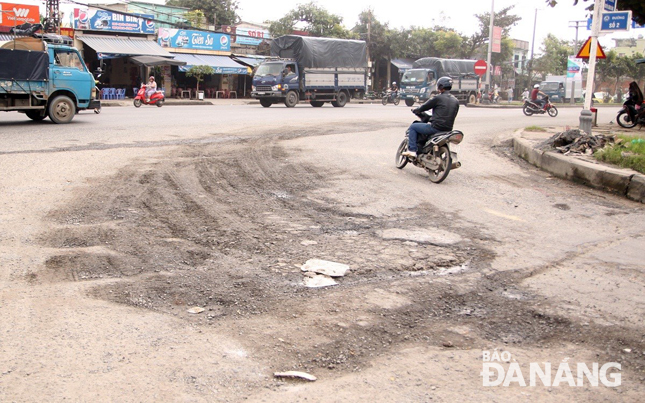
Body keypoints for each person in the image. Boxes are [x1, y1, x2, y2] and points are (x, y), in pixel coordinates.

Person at [402, 76, 459, 158]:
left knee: (413, 127)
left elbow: (424, 107)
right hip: (448, 130)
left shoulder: (438, 98)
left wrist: (417, 110)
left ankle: (412, 150)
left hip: (436, 128)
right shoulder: (456, 101)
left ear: (440, 86)